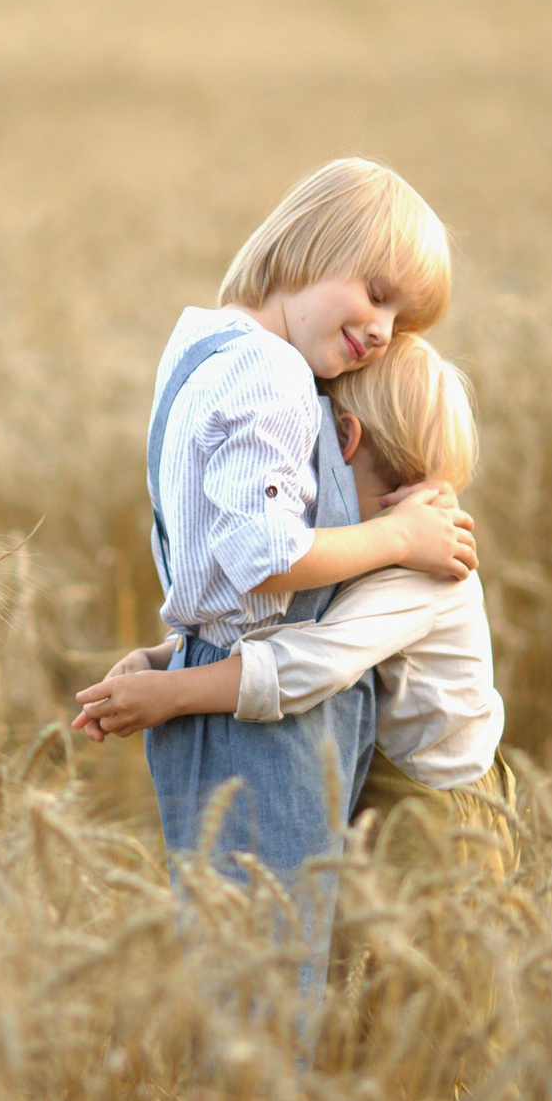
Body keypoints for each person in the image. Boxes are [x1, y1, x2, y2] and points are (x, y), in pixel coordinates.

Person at [107, 157, 476, 1021]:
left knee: (232, 966)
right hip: (262, 720)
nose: (383, 328)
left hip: (214, 674)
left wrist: (174, 656)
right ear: (311, 245)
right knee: (270, 984)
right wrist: (397, 536)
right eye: (376, 292)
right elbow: (262, 557)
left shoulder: (196, 344)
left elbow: (204, 547)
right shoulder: (271, 374)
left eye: (399, 316)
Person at [74, 334, 507, 879]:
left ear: (342, 441)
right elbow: (298, 625)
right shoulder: (372, 542)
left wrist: (172, 694)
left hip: (436, 822)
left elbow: (309, 660)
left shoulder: (422, 567)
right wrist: (159, 659)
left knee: (398, 963)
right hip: (385, 792)